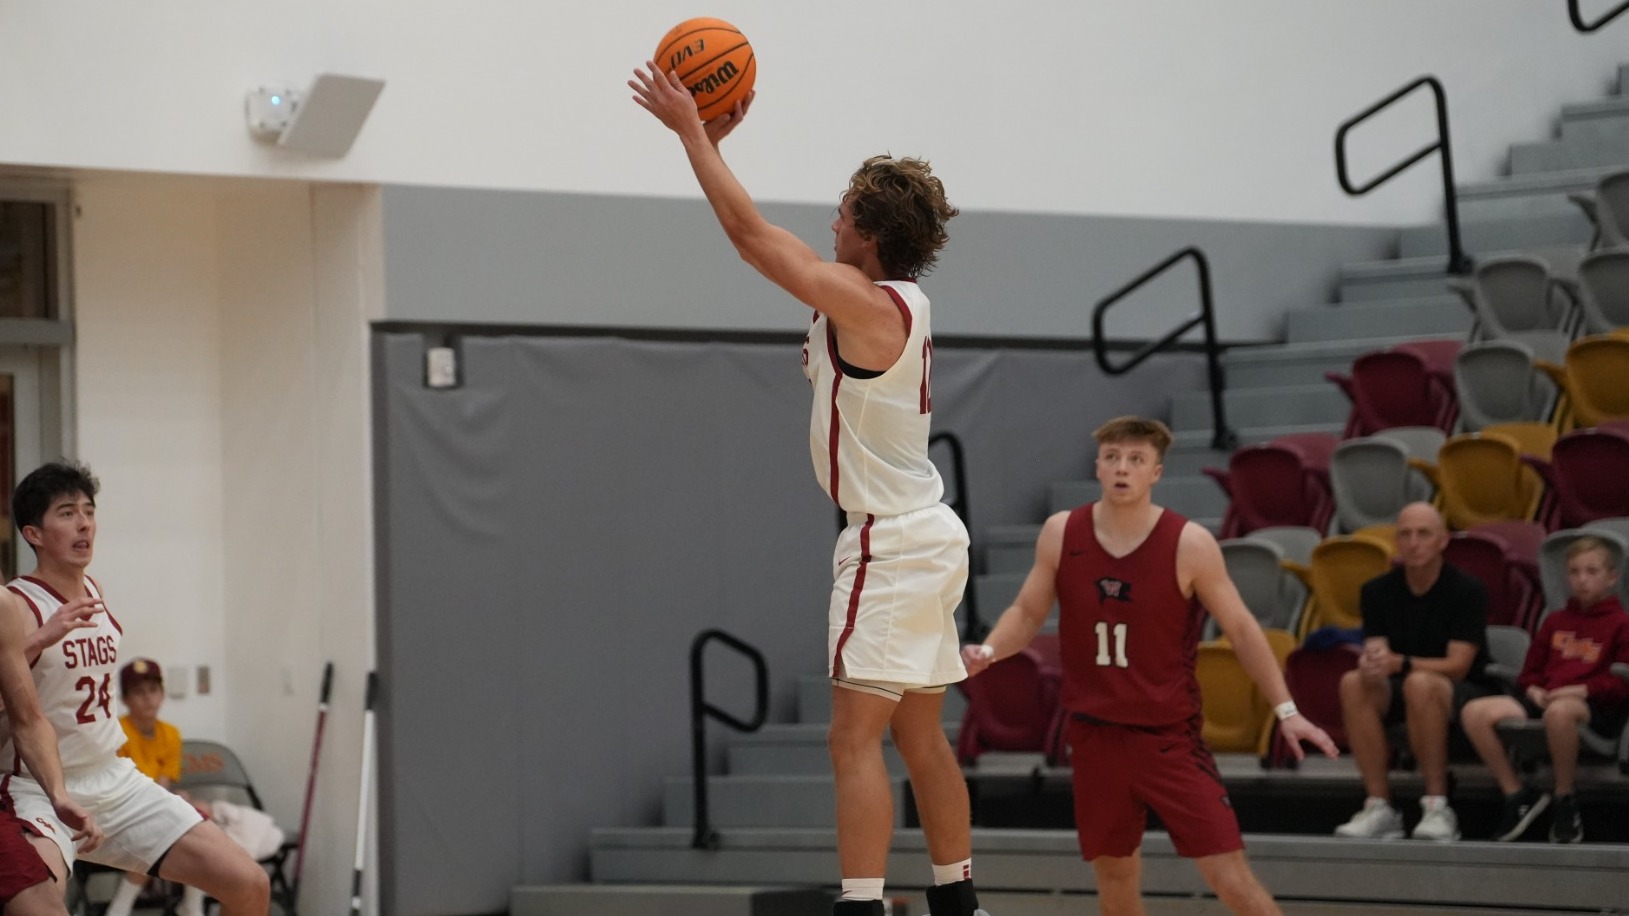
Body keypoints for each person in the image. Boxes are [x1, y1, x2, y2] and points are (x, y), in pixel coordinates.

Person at [630, 66, 985, 916]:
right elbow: (764, 238)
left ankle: (861, 908)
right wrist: (707, 147)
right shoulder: (894, 300)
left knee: (850, 741)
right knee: (918, 735)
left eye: (842, 210)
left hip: (889, 539)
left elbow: (754, 240)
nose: (830, 220)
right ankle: (956, 904)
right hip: (926, 531)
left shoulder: (868, 307)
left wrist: (691, 136)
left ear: (869, 228)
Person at [962, 416, 1336, 916]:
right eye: (1113, 457)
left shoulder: (1189, 544)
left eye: (1136, 460)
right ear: (1097, 466)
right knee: (1116, 879)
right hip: (1095, 737)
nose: (1122, 469)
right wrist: (989, 651)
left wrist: (1287, 709)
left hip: (1168, 738)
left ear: (1156, 472)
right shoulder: (1061, 532)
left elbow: (1244, 630)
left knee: (1229, 878)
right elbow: (1028, 612)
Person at [3, 461, 269, 914]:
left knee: (250, 884)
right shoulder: (15, 603)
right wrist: (38, 642)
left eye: (89, 510)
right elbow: (21, 713)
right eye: (67, 512)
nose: (84, 522)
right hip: (38, 788)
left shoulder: (95, 590)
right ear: (34, 534)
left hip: (114, 778)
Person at [1333, 502, 1495, 842]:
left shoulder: (1467, 590)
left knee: (1420, 684)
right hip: (1402, 684)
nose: (1414, 543)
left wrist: (1401, 664)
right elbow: (1378, 652)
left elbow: (1459, 665)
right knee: (1353, 682)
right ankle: (1380, 806)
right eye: (1405, 534)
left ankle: (1438, 806)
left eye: (1423, 534)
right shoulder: (1376, 591)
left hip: (1464, 690)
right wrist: (1373, 664)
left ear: (1443, 541)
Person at [1461, 536, 1629, 843]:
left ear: (1612, 577)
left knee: (1559, 712)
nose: (1582, 580)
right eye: (1575, 572)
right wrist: (1534, 690)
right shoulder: (1555, 621)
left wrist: (1581, 690)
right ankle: (1518, 795)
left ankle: (1565, 797)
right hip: (1547, 697)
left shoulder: (1621, 623)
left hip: (1594, 705)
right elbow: (1529, 674)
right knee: (1475, 712)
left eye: (1592, 572)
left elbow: (1620, 683)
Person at [1, 586, 102, 916]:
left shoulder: (3, 605)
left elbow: (28, 719)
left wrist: (58, 794)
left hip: (99, 770)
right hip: (22, 784)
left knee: (46, 900)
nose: (85, 529)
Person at [106, 658, 209, 916]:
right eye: (138, 693)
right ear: (126, 699)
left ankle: (192, 904)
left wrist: (175, 798)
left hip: (154, 805)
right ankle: (122, 906)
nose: (148, 699)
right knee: (158, 833)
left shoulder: (171, 733)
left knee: (202, 812)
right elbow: (123, 785)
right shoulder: (116, 730)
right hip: (121, 810)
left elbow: (164, 782)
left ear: (162, 695)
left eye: (153, 691)